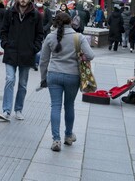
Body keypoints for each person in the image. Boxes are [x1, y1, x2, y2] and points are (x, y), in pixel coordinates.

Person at [39, 13, 95, 152]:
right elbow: (91, 55)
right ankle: (68, 136)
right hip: (73, 76)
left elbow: (43, 60)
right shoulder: (78, 37)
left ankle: (56, 139)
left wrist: (43, 78)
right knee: (69, 105)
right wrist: (80, 55)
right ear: (71, 22)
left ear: (55, 23)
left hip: (54, 75)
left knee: (55, 106)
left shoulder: (50, 37)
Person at [0, 0, 44, 122]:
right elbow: (4, 30)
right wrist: (5, 43)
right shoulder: (10, 13)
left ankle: (18, 109)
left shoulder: (36, 15)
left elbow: (40, 34)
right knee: (10, 79)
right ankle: (6, 111)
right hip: (11, 52)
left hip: (27, 54)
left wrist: (34, 48)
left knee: (22, 84)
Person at [34, 0, 53, 70]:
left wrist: (44, 28)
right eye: (38, 1)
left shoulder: (46, 10)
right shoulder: (32, 8)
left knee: (39, 48)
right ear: (36, 1)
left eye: (41, 1)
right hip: (32, 31)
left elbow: (50, 21)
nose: (40, 2)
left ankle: (36, 63)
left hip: (43, 32)